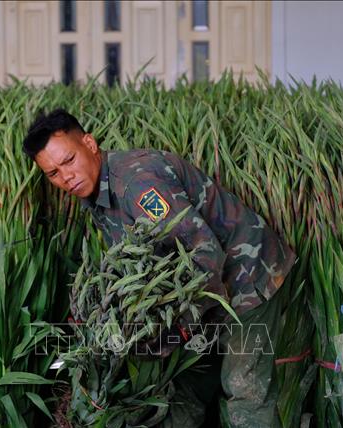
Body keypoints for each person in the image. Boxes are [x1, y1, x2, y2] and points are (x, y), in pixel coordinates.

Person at [23, 109, 296, 427]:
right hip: (204, 292)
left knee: (244, 392)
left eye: (68, 160)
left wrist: (180, 329)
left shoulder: (136, 185)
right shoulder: (94, 192)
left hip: (246, 276)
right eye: (53, 173)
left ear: (90, 143)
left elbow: (204, 254)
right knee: (184, 391)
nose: (65, 177)